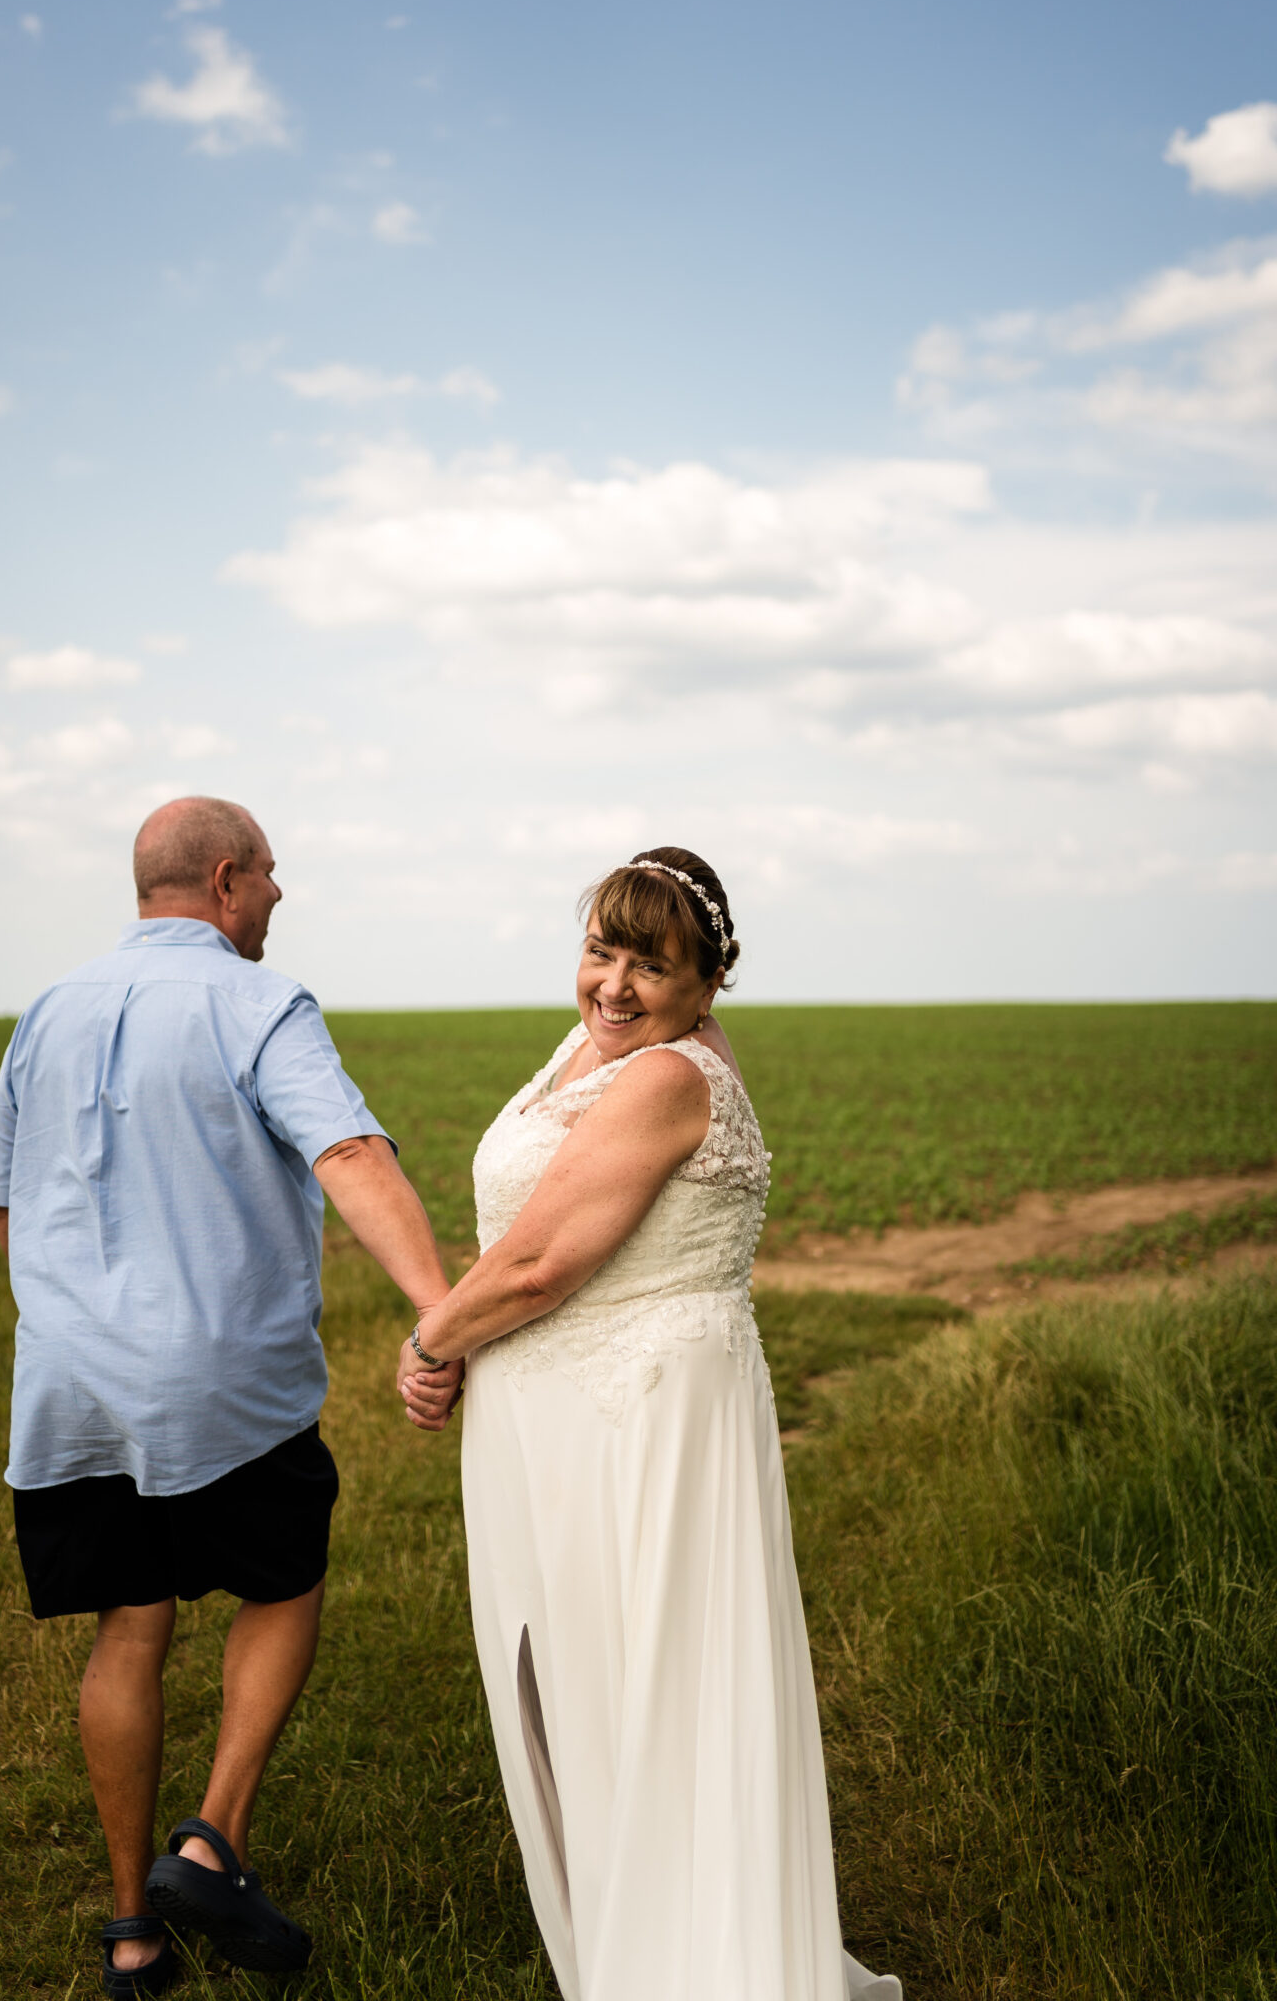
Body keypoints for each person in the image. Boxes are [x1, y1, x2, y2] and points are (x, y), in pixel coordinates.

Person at [0, 796, 460, 1999]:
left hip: (73, 1390)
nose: (282, 896)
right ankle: (211, 1844)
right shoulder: (258, 1003)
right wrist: (441, 1312)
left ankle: (131, 1934)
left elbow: (7, 1211)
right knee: (284, 1579)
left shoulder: (46, 1010)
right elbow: (350, 1153)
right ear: (229, 878)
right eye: (274, 874)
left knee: (130, 1622)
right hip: (224, 1384)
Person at [397, 847, 900, 2001]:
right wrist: (466, 1334)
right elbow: (526, 1242)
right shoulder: (596, 1047)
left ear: (709, 981)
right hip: (557, 1420)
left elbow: (540, 1265)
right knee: (584, 1692)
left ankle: (690, 1966)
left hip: (643, 1425)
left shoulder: (670, 1077)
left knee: (654, 1693)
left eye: (652, 966)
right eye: (600, 953)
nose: (615, 986)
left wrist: (432, 1343)